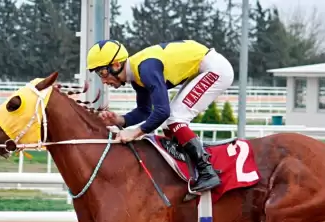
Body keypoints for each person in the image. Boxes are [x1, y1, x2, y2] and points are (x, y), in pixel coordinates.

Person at [85, 39, 235, 193]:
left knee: (175, 117)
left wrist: (135, 132)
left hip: (215, 69)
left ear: (116, 65)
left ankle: (206, 171)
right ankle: (185, 166)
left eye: (102, 72)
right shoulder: (137, 74)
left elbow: (162, 111)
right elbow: (145, 111)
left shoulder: (146, 69)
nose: (103, 81)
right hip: (205, 66)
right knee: (170, 120)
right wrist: (120, 120)